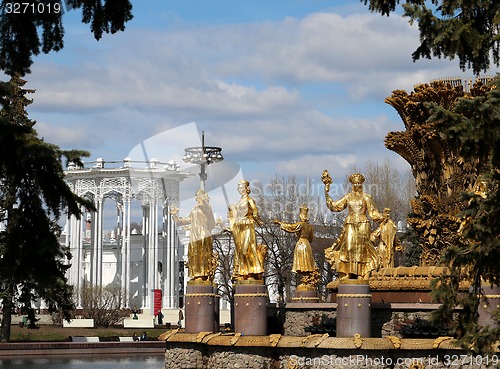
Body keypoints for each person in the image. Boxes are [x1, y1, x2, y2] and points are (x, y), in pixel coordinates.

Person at [323, 171, 383, 280]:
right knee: (349, 247)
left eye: (359, 183)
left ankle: (361, 273)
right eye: (355, 183)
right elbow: (335, 206)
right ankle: (348, 272)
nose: (357, 185)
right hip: (350, 223)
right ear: (352, 184)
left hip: (363, 224)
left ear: (361, 184)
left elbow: (373, 213)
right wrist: (326, 193)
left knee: (362, 249)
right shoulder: (348, 197)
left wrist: (383, 217)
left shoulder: (366, 197)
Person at [171, 190, 216, 282]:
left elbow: (209, 214)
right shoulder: (194, 209)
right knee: (194, 254)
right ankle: (196, 274)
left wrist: (204, 201)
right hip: (194, 234)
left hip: (203, 233)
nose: (196, 197)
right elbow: (186, 220)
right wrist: (175, 215)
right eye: (196, 196)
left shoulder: (206, 207)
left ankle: (204, 274)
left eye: (198, 195)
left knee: (203, 254)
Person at [227, 180, 266, 281]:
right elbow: (235, 215)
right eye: (238, 187)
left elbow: (255, 213)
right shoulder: (239, 202)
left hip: (248, 226)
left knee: (247, 249)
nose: (239, 189)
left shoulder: (250, 200)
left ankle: (252, 272)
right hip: (239, 227)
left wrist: (260, 222)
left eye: (241, 187)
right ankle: (244, 273)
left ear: (246, 189)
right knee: (240, 251)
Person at [274, 206, 317, 287]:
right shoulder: (310, 227)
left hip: (301, 244)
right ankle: (306, 280)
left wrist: (279, 223)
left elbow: (290, 227)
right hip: (307, 244)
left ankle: (305, 281)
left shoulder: (300, 225)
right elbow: (311, 239)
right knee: (307, 263)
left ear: (301, 216)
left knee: (303, 263)